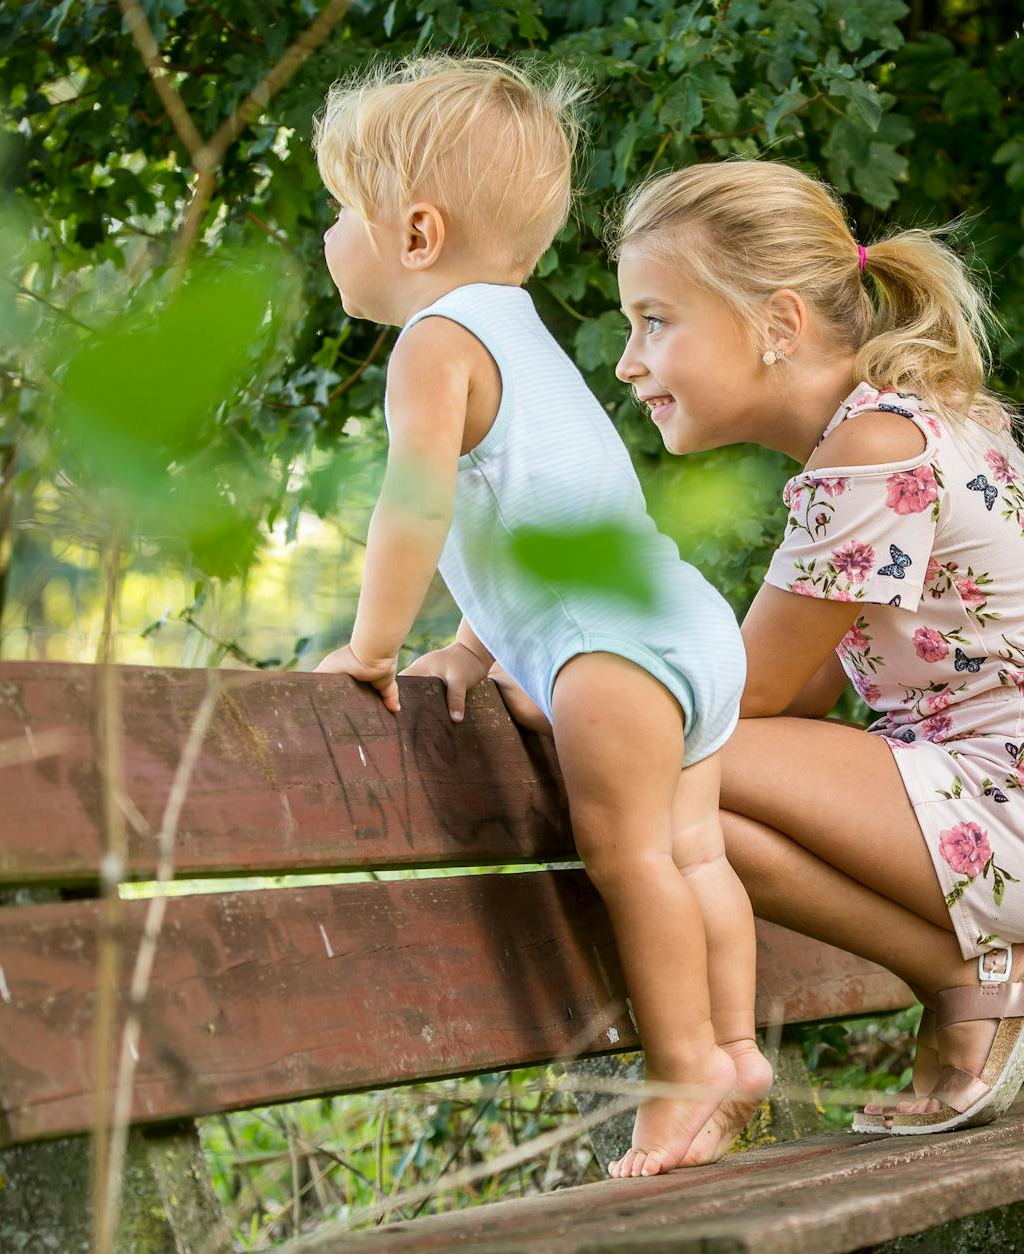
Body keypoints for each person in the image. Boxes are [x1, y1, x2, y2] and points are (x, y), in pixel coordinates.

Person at [505, 158, 1024, 1136]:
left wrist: (558, 678)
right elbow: (782, 696)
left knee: (654, 751)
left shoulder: (874, 449)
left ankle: (721, 1075)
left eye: (654, 321)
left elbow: (740, 697)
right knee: (684, 785)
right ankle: (959, 975)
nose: (627, 361)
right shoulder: (882, 430)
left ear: (777, 325)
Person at [309, 56, 763, 1174]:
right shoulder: (522, 337)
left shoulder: (433, 344)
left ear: (415, 233)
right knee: (692, 855)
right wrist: (473, 643)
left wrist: (370, 650)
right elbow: (531, 507)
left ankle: (684, 1073)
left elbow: (418, 505)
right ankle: (740, 1047)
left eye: (336, 211)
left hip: (609, 656)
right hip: (678, 626)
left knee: (627, 860)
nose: (328, 236)